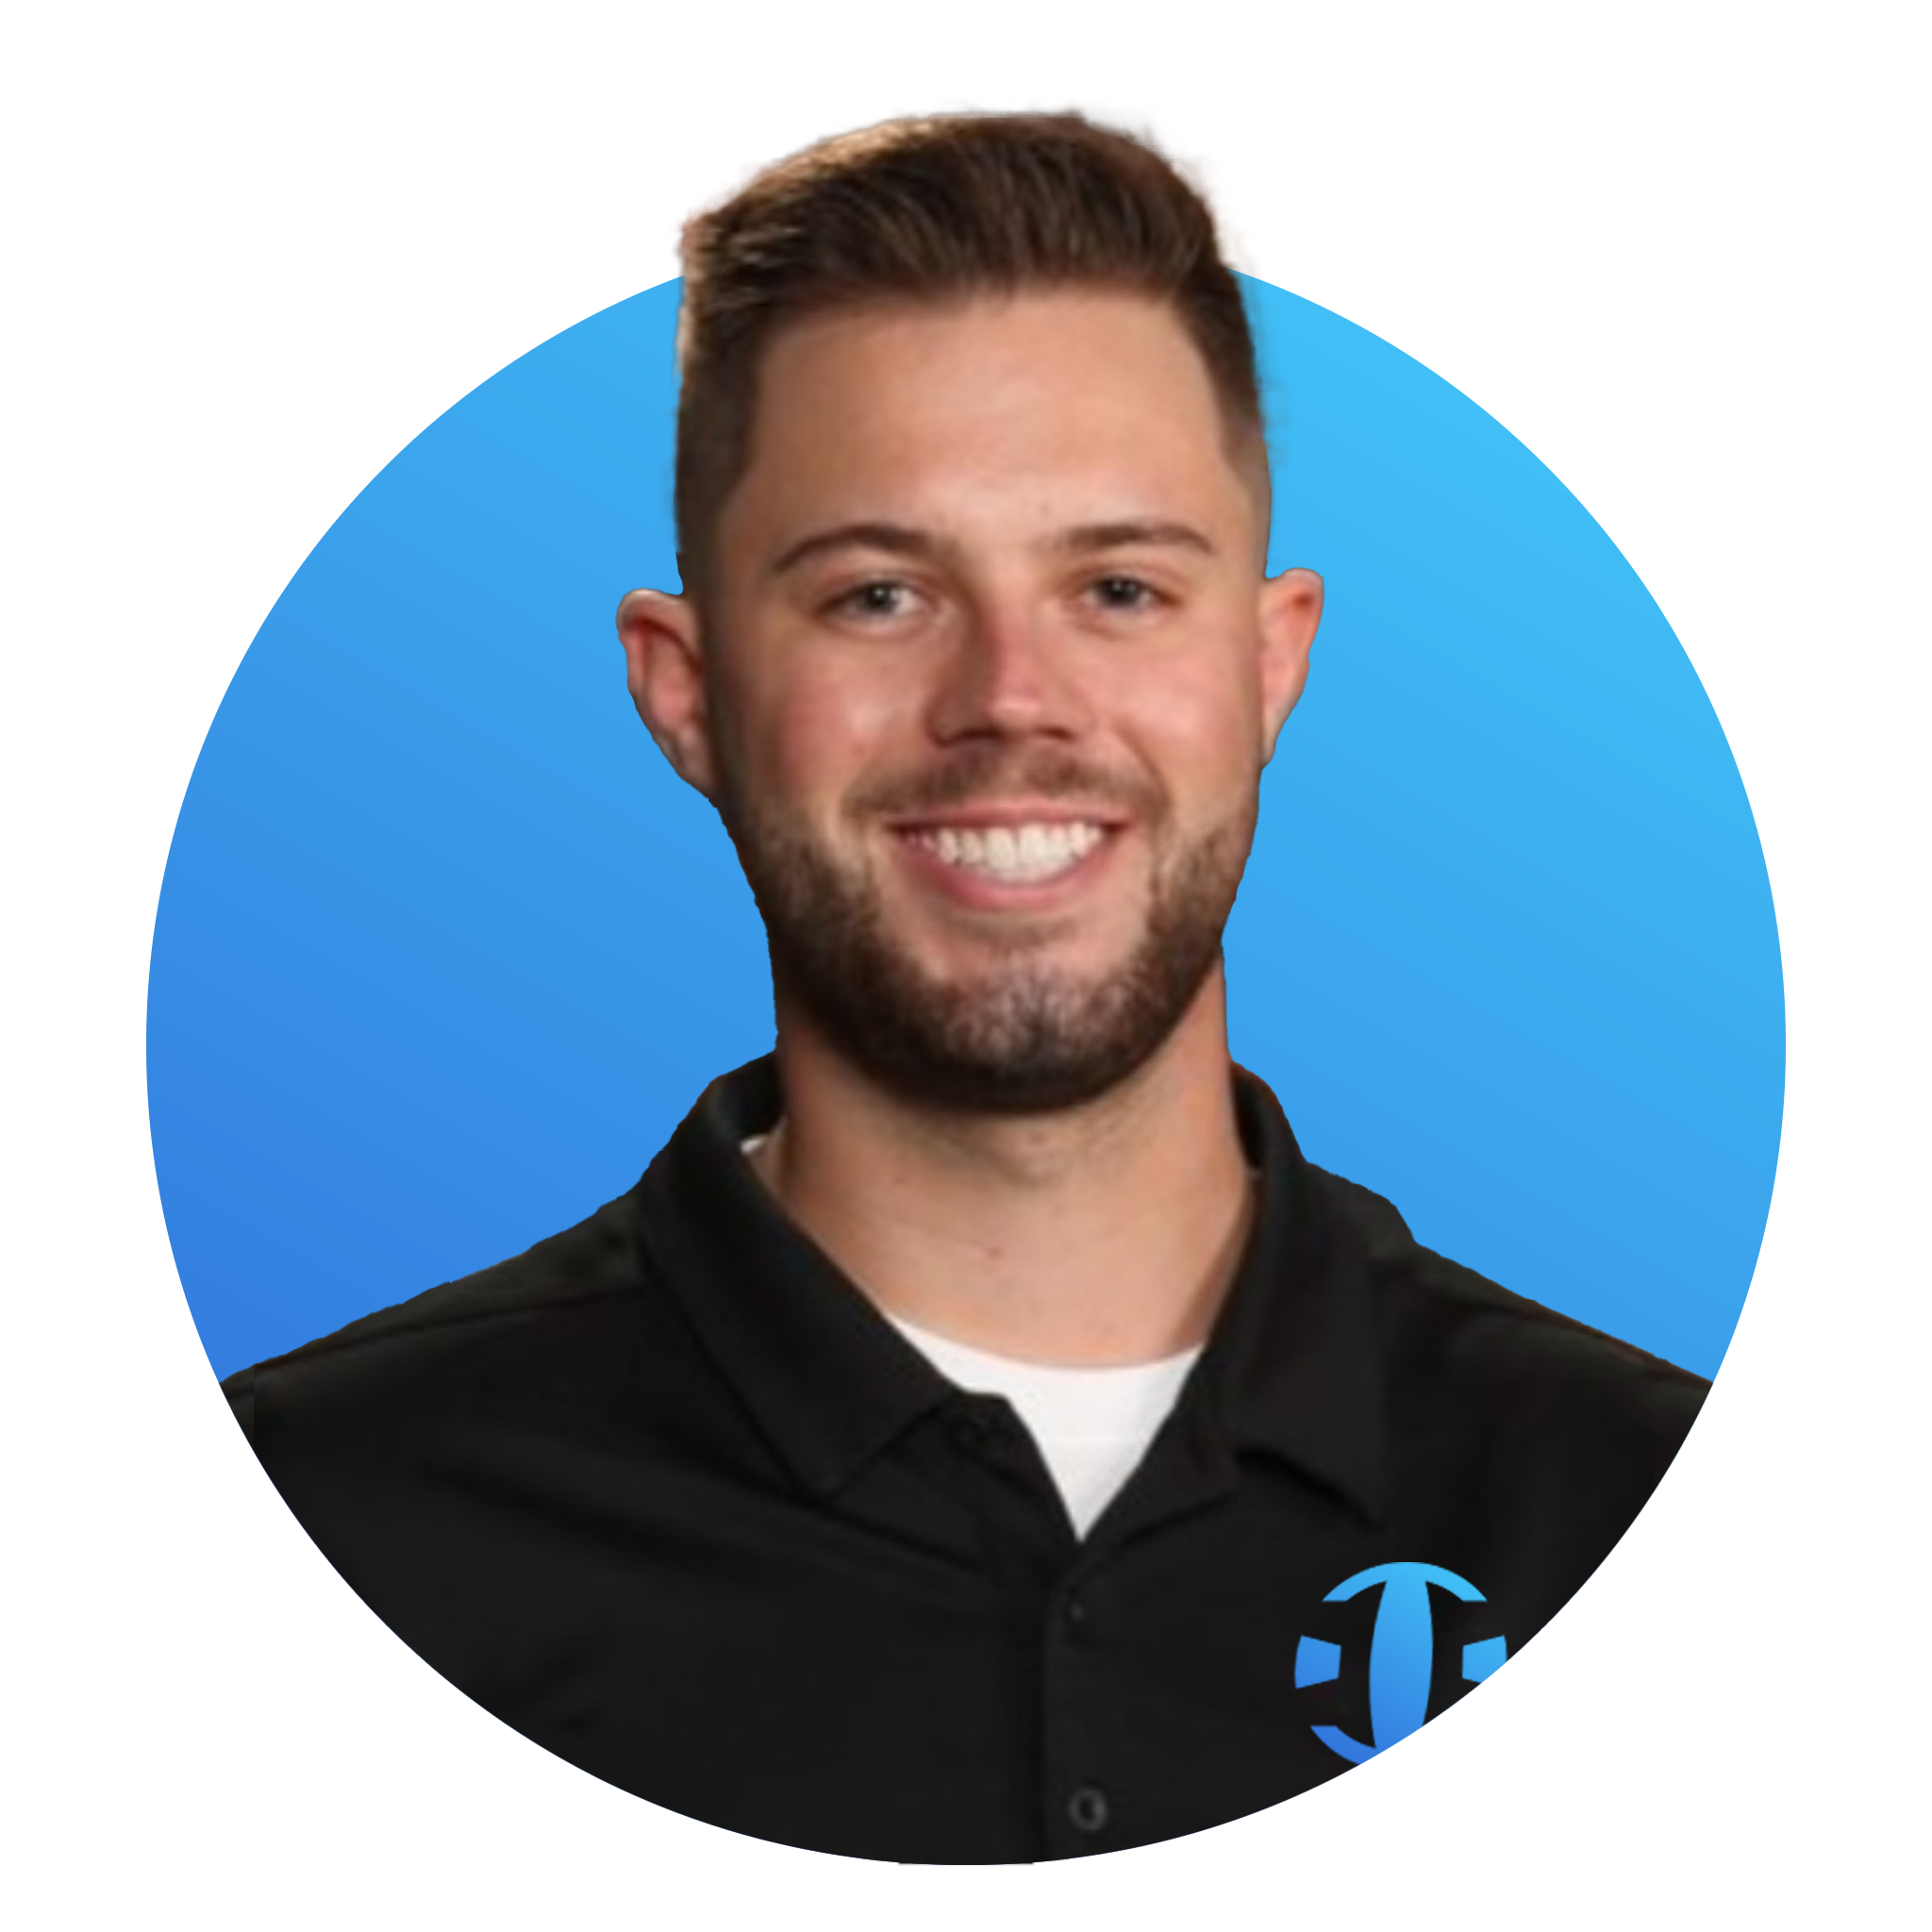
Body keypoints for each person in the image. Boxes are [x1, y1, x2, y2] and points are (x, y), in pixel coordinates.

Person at [220, 99, 1714, 1866]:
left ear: (1269, 663)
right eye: (877, 595)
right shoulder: (339, 1509)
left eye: (1119, 587)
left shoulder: (1657, 1528)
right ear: (685, 692)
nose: (1011, 696)